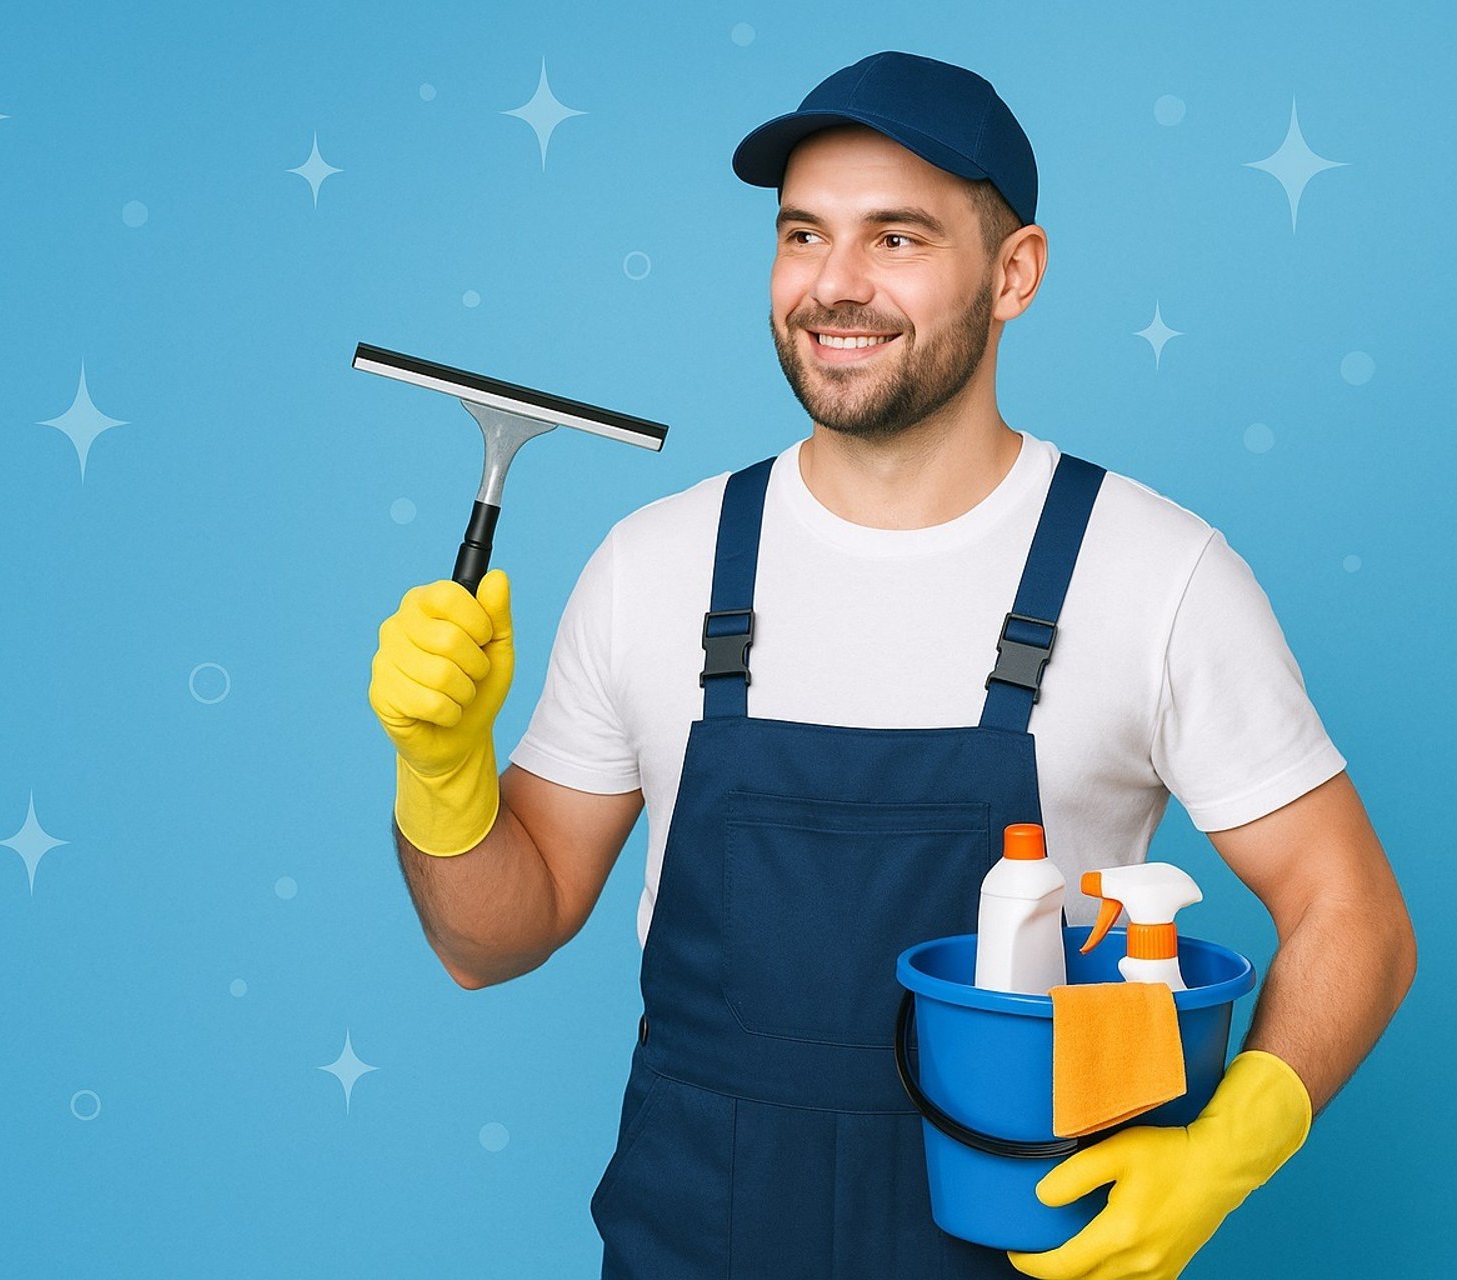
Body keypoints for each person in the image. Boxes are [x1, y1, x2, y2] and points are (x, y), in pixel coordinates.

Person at [367, 49, 1415, 1280]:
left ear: (1015, 273)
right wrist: (443, 776)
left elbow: (1355, 911)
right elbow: (490, 941)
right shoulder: (654, 566)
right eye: (803, 234)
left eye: (896, 238)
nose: (835, 284)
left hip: (1020, 1241)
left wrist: (1233, 1142)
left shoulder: (1155, 574)